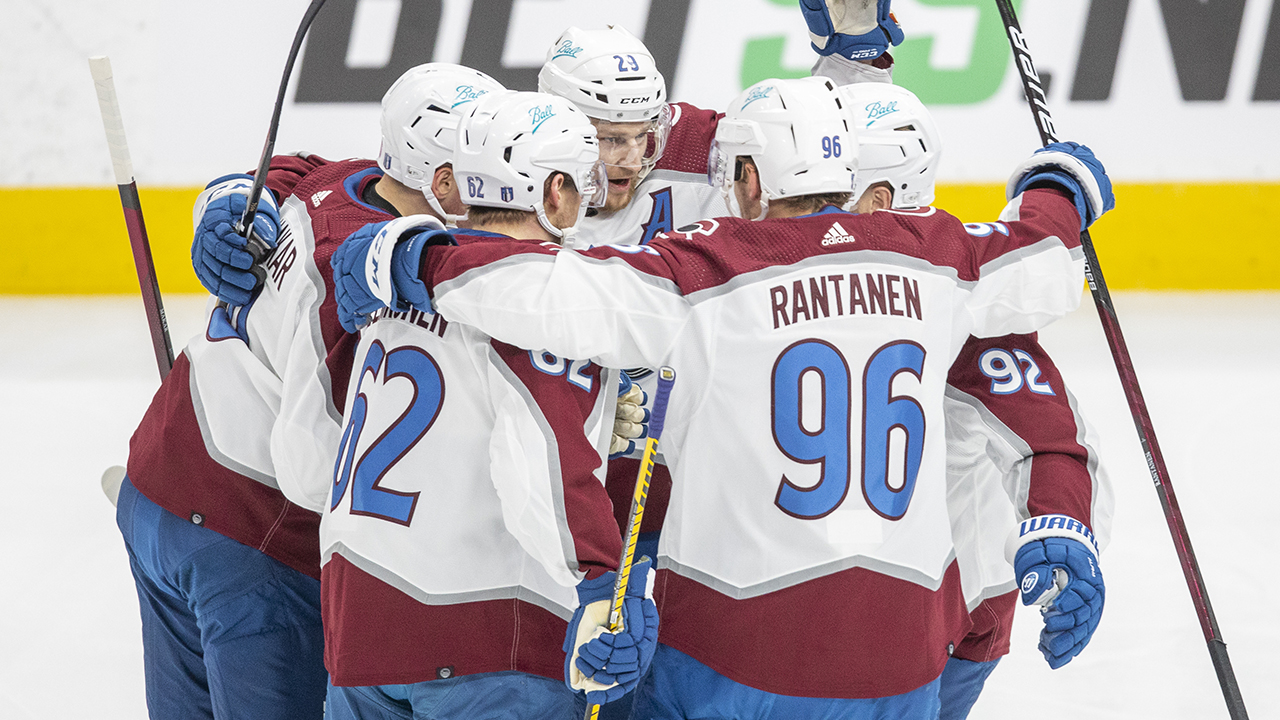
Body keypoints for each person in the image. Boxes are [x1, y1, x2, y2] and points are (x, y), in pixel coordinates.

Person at [331, 75, 1113, 717]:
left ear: (749, 178)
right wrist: (1060, 185)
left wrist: (412, 257)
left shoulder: (704, 269)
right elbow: (1044, 258)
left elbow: (546, 290)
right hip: (899, 658)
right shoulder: (940, 258)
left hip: (731, 648)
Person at [141, 63, 500, 719]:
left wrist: (227, 195)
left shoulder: (347, 182)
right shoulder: (368, 277)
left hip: (162, 477)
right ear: (442, 177)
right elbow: (315, 470)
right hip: (252, 532)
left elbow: (289, 166)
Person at [318, 89, 659, 717]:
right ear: (554, 191)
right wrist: (605, 581)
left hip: (356, 616)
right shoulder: (542, 301)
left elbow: (318, 434)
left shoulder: (399, 274)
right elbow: (544, 462)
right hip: (478, 640)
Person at [839, 81, 1114, 718]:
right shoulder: (962, 265)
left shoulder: (958, 296)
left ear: (877, 197)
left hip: (945, 607)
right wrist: (1057, 190)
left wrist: (1062, 525)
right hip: (867, 597)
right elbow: (1034, 242)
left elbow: (1049, 435)